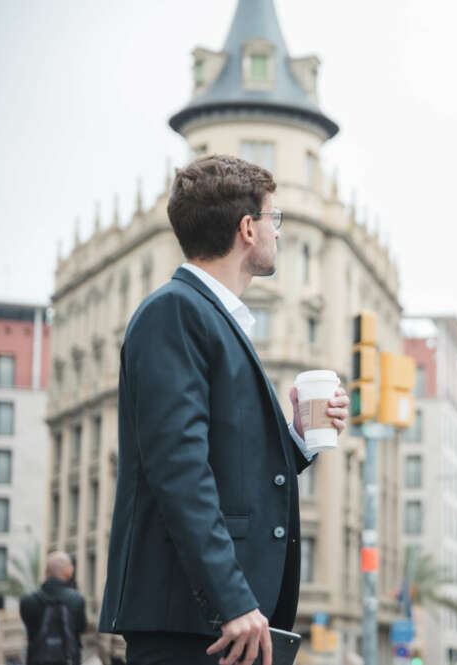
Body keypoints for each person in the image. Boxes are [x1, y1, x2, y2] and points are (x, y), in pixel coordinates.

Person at [98, 154, 350, 665]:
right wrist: (231, 599)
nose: (278, 233)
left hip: (220, 620)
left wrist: (297, 437)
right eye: (273, 219)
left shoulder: (212, 317)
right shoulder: (175, 312)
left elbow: (228, 463)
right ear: (248, 229)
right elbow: (180, 470)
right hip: (196, 622)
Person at [20, 551, 87, 665]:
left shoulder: (27, 601)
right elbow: (82, 627)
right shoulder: (77, 599)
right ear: (69, 571)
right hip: (69, 660)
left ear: (46, 572)